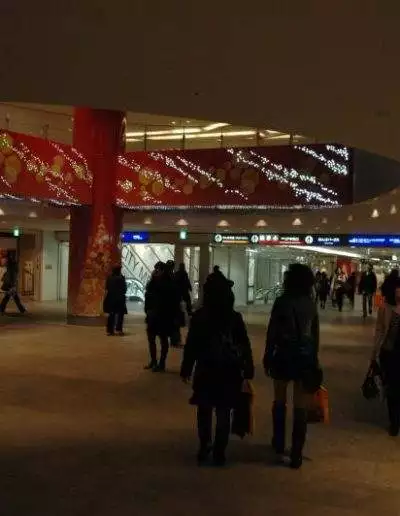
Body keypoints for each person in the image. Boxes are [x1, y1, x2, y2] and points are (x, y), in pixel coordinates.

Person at [180, 279, 254, 466]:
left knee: (204, 409)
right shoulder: (234, 318)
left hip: (206, 368)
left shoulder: (199, 317)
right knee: (224, 410)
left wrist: (186, 368)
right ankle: (220, 450)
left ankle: (205, 443)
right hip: (229, 370)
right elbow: (244, 344)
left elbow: (192, 345)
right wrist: (248, 367)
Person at [264, 263, 320, 469]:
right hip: (304, 358)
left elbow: (272, 331)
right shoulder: (310, 304)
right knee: (300, 405)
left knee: (279, 400)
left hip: (283, 355)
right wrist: (314, 359)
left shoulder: (282, 301)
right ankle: (297, 453)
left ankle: (279, 442)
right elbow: (315, 335)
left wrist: (268, 354)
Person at [372, 278, 400, 436]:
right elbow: (379, 331)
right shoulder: (385, 308)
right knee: (392, 388)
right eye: (397, 288)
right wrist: (374, 352)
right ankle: (394, 422)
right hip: (389, 354)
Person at [144, 262, 177, 372]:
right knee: (152, 338)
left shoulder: (167, 283)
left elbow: (173, 301)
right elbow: (148, 294)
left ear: (163, 271)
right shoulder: (155, 282)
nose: (156, 271)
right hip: (154, 315)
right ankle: (154, 361)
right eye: (155, 269)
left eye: (158, 269)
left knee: (163, 339)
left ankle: (161, 363)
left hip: (163, 315)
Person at [103, 265, 127, 336]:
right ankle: (119, 330)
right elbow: (124, 289)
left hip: (111, 298)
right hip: (120, 299)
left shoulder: (109, 278)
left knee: (111, 315)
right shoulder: (121, 278)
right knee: (120, 315)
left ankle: (110, 331)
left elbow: (107, 288)